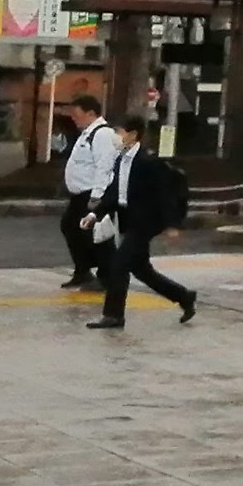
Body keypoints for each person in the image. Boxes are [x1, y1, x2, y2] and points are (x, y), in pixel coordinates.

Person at [90, 112, 197, 328]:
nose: (116, 136)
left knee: (119, 264)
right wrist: (94, 214)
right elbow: (115, 192)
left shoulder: (148, 162)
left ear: (132, 134)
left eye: (119, 132)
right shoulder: (121, 159)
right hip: (128, 219)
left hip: (145, 222)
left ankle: (113, 315)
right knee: (141, 269)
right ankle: (184, 297)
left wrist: (171, 224)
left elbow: (164, 194)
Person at [58, 92, 116, 293]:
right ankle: (82, 271)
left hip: (93, 194)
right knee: (70, 226)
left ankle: (106, 277)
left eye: (77, 115)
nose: (74, 119)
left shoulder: (102, 134)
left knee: (98, 234)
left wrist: (97, 197)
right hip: (80, 195)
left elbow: (104, 167)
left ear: (91, 113)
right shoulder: (87, 133)